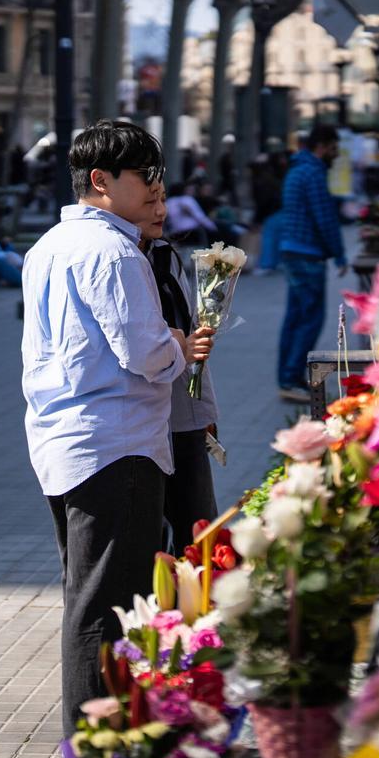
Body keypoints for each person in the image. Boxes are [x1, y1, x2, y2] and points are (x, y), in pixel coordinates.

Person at [20, 120, 216, 737]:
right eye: (147, 177)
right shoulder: (111, 249)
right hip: (117, 444)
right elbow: (147, 353)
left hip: (69, 440)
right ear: (101, 182)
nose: (157, 189)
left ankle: (99, 739)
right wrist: (181, 344)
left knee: (88, 593)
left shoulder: (49, 245)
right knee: (106, 604)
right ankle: (100, 744)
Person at [136, 183, 220, 552]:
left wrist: (204, 410)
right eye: (150, 200)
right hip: (138, 424)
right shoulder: (116, 260)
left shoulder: (166, 255)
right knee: (148, 540)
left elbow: (186, 331)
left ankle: (194, 606)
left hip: (182, 412)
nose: (161, 211)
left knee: (197, 527)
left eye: (163, 199)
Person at [276, 125, 347, 402]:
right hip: (307, 254)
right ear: (323, 145)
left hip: (293, 250)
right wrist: (339, 254)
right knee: (309, 319)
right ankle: (291, 378)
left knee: (295, 318)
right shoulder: (313, 172)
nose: (336, 153)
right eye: (334, 147)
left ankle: (287, 378)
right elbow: (325, 218)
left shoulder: (296, 170)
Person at [165, 181, 219, 245]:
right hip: (191, 233)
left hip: (176, 233)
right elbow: (199, 216)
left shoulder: (168, 202)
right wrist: (212, 227)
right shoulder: (187, 200)